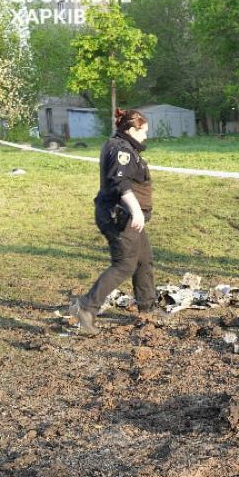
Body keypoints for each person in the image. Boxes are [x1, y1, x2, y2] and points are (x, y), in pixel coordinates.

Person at [68, 108, 160, 335]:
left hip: (125, 216)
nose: (146, 136)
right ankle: (86, 307)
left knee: (144, 260)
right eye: (144, 131)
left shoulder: (121, 145)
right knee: (125, 264)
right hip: (119, 216)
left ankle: (148, 309)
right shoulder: (121, 150)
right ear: (132, 129)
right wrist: (136, 211)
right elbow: (121, 184)